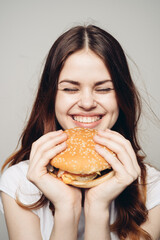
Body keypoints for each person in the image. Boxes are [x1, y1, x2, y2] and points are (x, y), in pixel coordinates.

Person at [0, 24, 160, 240]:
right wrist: (68, 207)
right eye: (70, 88)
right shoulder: (19, 183)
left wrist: (97, 207)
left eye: (104, 88)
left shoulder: (152, 186)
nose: (87, 103)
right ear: (51, 96)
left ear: (122, 97)